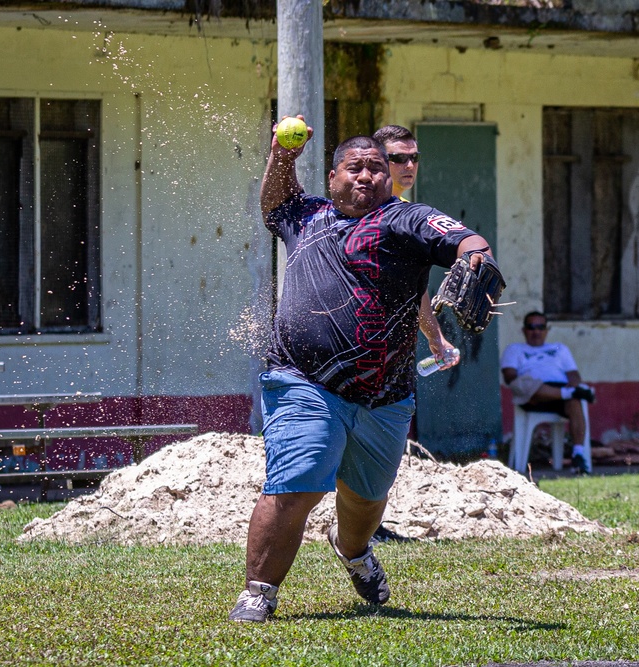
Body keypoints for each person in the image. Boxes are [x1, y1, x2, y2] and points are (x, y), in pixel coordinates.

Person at [229, 117, 495, 622]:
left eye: (377, 168)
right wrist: (282, 154)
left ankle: (352, 551)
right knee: (298, 480)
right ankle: (259, 591)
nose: (367, 176)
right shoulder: (305, 217)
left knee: (364, 502)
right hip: (302, 380)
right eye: (355, 167)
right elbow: (272, 203)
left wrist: (475, 258)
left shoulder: (406, 220)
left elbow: (464, 239)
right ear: (333, 177)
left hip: (386, 395)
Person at [371, 125, 453, 364]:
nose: (409, 165)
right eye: (398, 158)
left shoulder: (407, 211)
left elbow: (415, 286)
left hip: (390, 350)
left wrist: (435, 336)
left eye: (414, 158)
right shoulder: (356, 209)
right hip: (349, 340)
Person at [500, 311, 595, 475]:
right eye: (531, 327)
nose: (536, 331)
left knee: (575, 402)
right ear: (524, 330)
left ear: (546, 330)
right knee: (527, 383)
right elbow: (510, 377)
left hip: (559, 392)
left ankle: (578, 454)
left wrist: (572, 386)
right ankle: (570, 393)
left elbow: (573, 376)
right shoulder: (515, 349)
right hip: (532, 395)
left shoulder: (560, 349)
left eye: (540, 327)